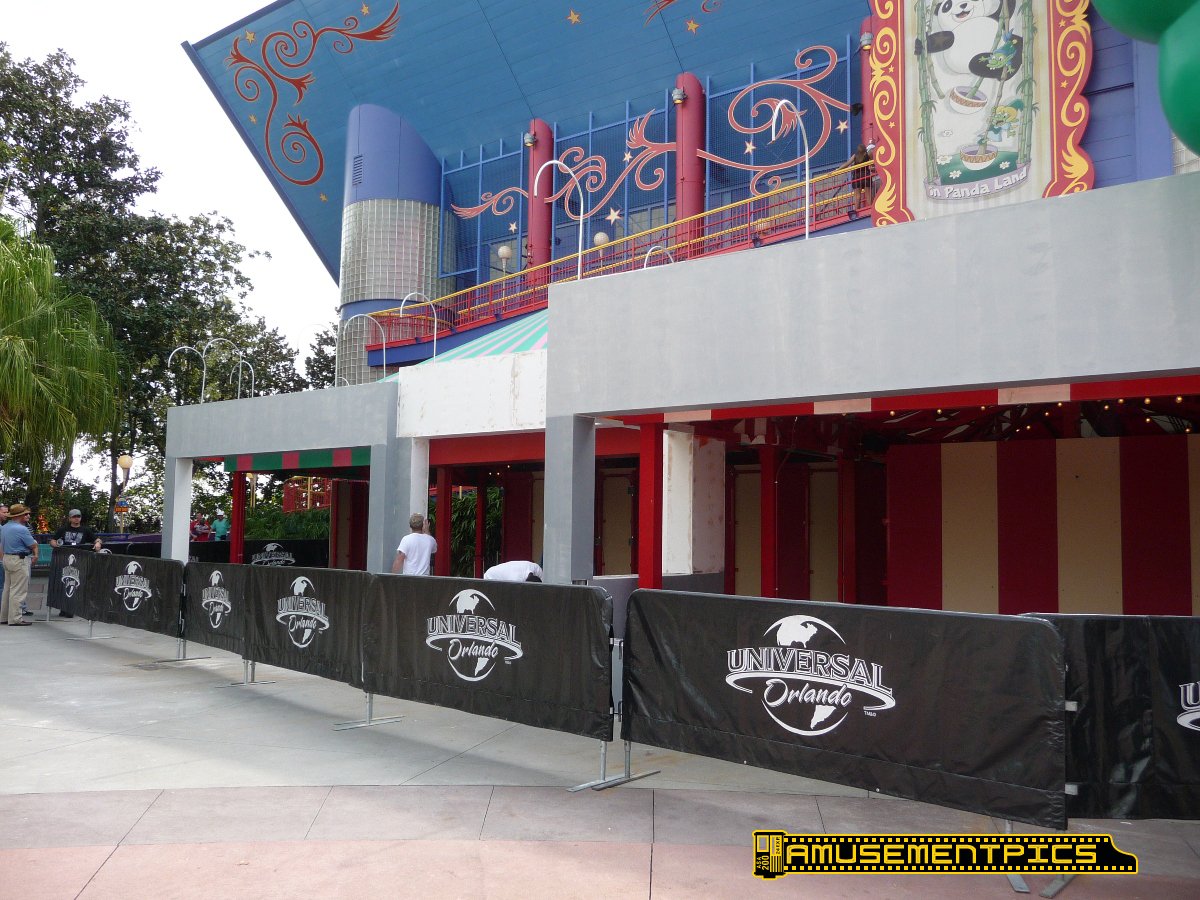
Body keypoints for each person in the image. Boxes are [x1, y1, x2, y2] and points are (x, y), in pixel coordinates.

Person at [50, 509, 101, 619]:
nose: (76, 518)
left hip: (79, 560)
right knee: (64, 583)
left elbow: (97, 539)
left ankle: (71, 608)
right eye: (74, 516)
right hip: (64, 559)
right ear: (70, 518)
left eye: (78, 516)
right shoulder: (63, 529)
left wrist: (97, 543)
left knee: (75, 583)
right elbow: (53, 540)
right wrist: (56, 545)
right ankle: (63, 607)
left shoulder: (85, 530)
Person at [1, 503, 38, 626]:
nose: (28, 516)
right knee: (18, 590)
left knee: (7, 589)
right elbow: (32, 544)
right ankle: (15, 618)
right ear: (20, 515)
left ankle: (4, 617)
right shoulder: (22, 529)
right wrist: (35, 551)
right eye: (25, 514)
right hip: (19, 559)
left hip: (7, 558)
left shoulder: (4, 527)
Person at [849, 142, 874, 209]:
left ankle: (857, 211)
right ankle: (872, 209)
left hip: (857, 177)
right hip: (866, 176)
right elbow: (873, 164)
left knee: (857, 196)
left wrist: (837, 169)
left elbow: (847, 164)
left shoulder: (855, 156)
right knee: (868, 195)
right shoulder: (868, 155)